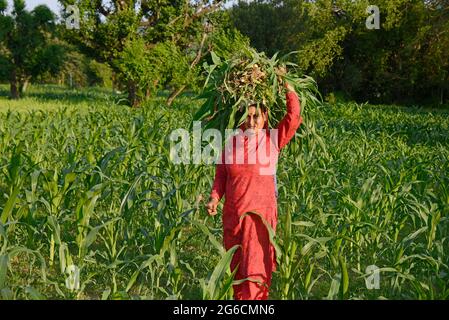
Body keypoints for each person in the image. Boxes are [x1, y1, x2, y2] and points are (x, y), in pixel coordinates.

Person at [205, 79, 302, 300]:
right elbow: (221, 176)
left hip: (260, 219)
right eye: (247, 116)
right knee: (236, 269)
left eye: (256, 116)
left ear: (265, 116)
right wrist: (214, 198)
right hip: (233, 217)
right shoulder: (231, 143)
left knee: (256, 271)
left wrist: (287, 86)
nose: (251, 122)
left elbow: (293, 117)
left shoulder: (272, 140)